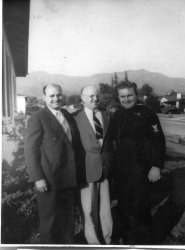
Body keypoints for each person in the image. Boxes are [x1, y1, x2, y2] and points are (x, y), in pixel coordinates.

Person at [24, 83, 86, 244]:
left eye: (58, 95)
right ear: (44, 98)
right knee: (49, 223)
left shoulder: (66, 113)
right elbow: (31, 150)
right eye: (51, 96)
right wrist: (38, 178)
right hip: (50, 178)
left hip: (68, 177)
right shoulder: (37, 117)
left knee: (67, 221)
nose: (56, 98)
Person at [111, 81, 166, 244]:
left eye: (129, 95)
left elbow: (159, 141)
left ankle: (145, 243)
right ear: (118, 97)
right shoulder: (118, 115)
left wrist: (156, 166)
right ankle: (128, 241)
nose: (126, 99)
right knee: (124, 209)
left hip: (142, 171)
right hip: (122, 172)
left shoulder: (147, 113)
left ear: (136, 95)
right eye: (122, 96)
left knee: (141, 210)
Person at [74, 85, 113, 245]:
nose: (95, 99)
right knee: (88, 209)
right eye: (90, 96)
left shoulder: (107, 115)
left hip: (105, 169)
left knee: (105, 208)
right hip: (86, 170)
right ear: (82, 98)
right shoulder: (75, 118)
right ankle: (93, 243)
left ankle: (108, 239)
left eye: (96, 96)